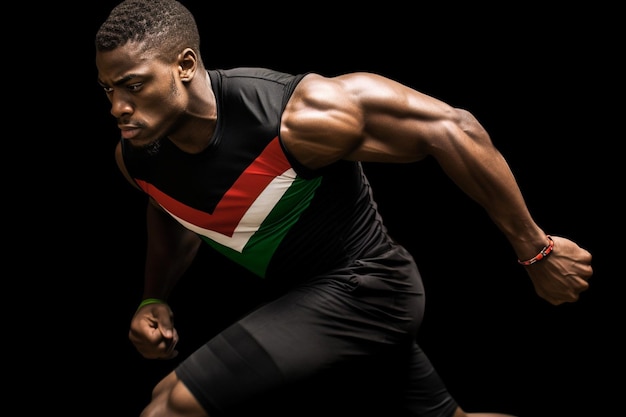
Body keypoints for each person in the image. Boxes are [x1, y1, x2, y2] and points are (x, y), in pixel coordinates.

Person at [95, 1, 593, 416]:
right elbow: (170, 204)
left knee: (171, 404)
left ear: (184, 66)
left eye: (133, 85)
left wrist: (537, 251)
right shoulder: (138, 155)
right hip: (315, 298)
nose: (118, 106)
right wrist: (153, 296)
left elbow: (451, 129)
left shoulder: (295, 116)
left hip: (370, 288)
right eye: (108, 89)